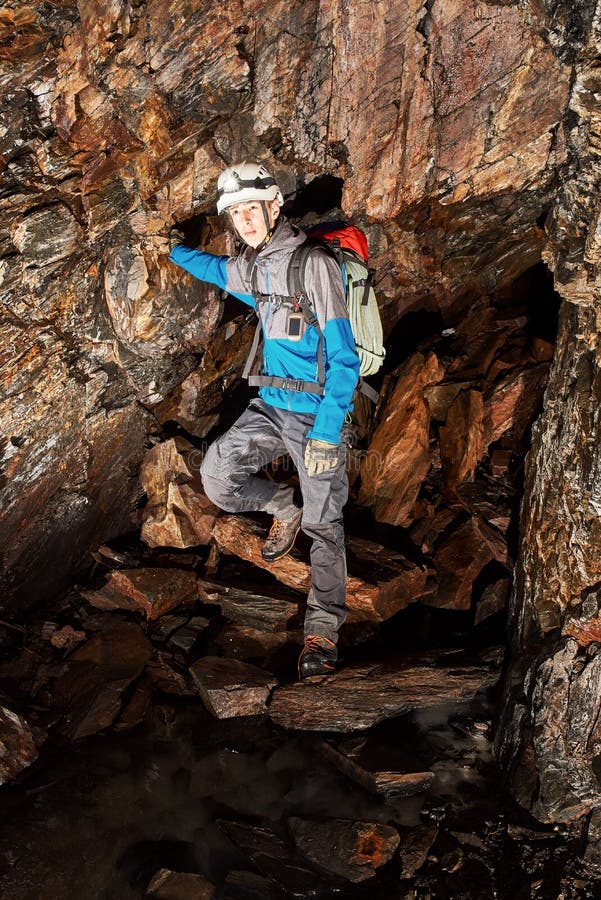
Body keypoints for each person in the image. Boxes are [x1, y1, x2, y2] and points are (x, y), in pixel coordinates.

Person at [168, 161, 360, 677]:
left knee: (326, 526)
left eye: (251, 208)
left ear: (274, 206)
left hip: (317, 412)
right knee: (215, 476)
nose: (245, 221)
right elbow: (214, 270)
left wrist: (325, 432)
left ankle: (321, 636)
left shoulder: (312, 265)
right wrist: (171, 251)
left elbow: (346, 358)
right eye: (236, 214)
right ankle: (282, 505)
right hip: (271, 406)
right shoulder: (254, 266)